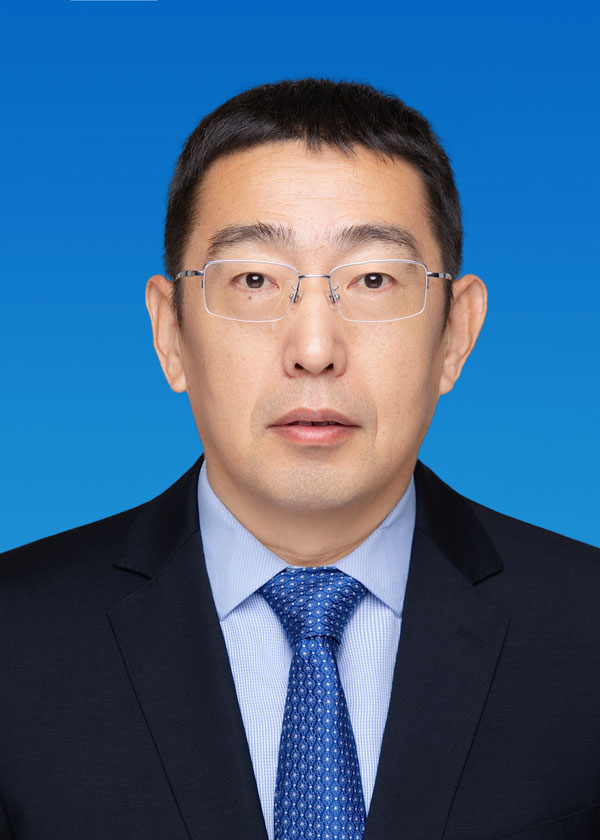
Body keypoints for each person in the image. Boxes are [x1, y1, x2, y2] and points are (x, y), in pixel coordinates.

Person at [0, 78, 599, 840]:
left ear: (455, 334)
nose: (314, 350)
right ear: (170, 333)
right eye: (254, 280)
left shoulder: (585, 631)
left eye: (373, 280)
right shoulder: (15, 640)